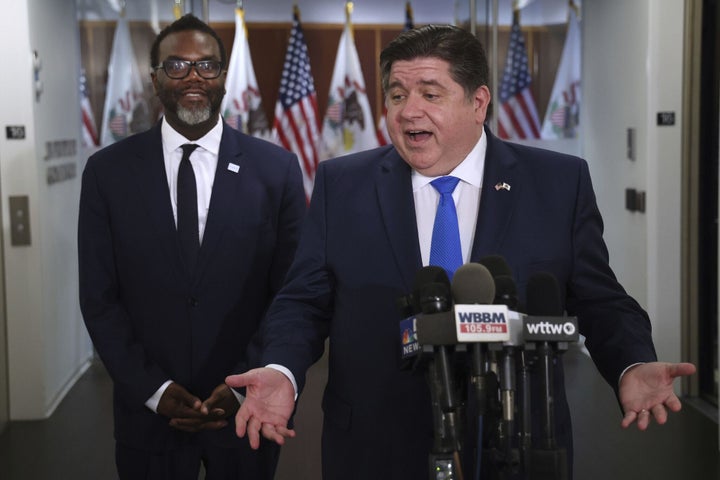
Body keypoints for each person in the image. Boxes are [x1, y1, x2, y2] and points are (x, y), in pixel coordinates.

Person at [226, 24, 696, 479]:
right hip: (376, 444)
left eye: (430, 94)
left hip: (518, 441)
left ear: (478, 102)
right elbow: (304, 301)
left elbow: (599, 298)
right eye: (396, 94)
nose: (408, 111)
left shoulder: (557, 182)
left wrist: (631, 362)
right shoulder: (341, 184)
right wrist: (281, 370)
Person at [78, 14, 306, 480]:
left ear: (224, 77)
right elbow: (99, 300)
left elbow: (292, 294)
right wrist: (153, 389)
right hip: (149, 416)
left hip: (246, 409)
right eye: (177, 65)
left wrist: (245, 383)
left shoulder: (276, 169)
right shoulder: (107, 173)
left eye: (207, 66)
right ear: (156, 78)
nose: (193, 77)